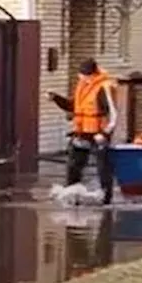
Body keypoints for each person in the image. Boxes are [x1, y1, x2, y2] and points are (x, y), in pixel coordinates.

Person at [47, 58, 118, 204]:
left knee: (102, 167)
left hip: (98, 134)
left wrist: (104, 133)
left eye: (85, 75)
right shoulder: (83, 86)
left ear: (93, 74)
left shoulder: (104, 87)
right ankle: (72, 194)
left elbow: (113, 114)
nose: (82, 77)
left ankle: (106, 197)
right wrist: (56, 98)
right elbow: (73, 106)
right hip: (82, 132)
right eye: (81, 74)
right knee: (74, 165)